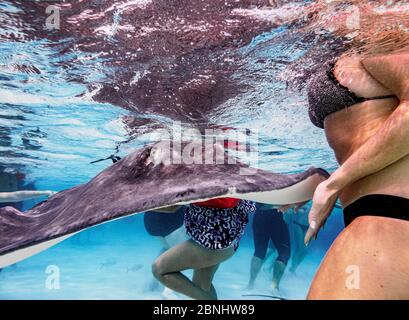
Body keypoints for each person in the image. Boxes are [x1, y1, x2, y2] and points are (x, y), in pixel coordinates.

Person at [267, 0, 409, 299]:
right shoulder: (358, 44)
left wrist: (334, 185)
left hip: (388, 217)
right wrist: (325, 183)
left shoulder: (379, 36)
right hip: (383, 216)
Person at [152, 198, 256, 300]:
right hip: (223, 240)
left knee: (159, 269)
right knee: (202, 286)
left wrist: (140, 203)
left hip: (213, 243)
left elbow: (172, 207)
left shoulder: (209, 187)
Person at [246, 204, 290, 293]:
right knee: (284, 253)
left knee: (259, 252)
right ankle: (274, 286)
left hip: (260, 213)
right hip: (276, 214)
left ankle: (250, 284)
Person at [143, 207, 187, 293]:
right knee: (178, 253)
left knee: (168, 249)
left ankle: (155, 280)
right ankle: (168, 290)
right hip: (171, 218)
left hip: (150, 219)